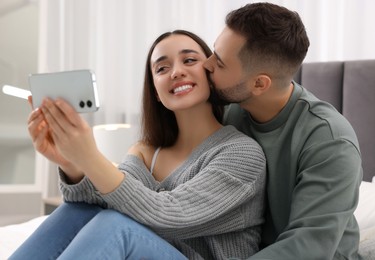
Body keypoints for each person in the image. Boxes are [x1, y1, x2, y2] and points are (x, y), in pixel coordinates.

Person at [10, 30, 267, 260]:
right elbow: (102, 202)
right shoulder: (145, 151)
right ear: (156, 90)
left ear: (211, 74)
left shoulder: (242, 153)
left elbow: (165, 216)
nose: (176, 71)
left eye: (189, 60)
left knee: (114, 226)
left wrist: (90, 157)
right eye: (161, 68)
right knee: (76, 212)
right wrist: (70, 163)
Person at [202, 2, 362, 259]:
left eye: (219, 63)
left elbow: (308, 245)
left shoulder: (330, 141)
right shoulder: (230, 113)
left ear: (259, 83)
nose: (206, 64)